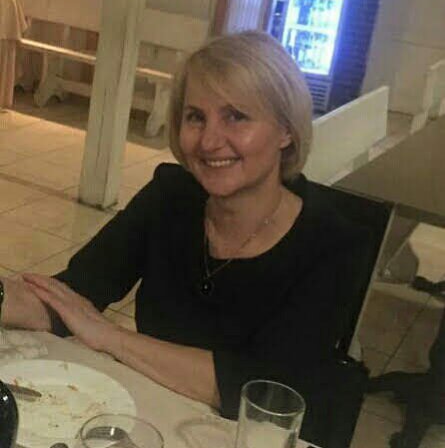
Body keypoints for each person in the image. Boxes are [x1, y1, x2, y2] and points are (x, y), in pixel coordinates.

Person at [0, 32, 369, 444]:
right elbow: (70, 296)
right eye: (196, 117)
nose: (209, 141)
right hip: (150, 418)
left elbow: (260, 386)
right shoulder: (171, 195)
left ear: (286, 131)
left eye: (236, 117)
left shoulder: (333, 245)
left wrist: (111, 337)